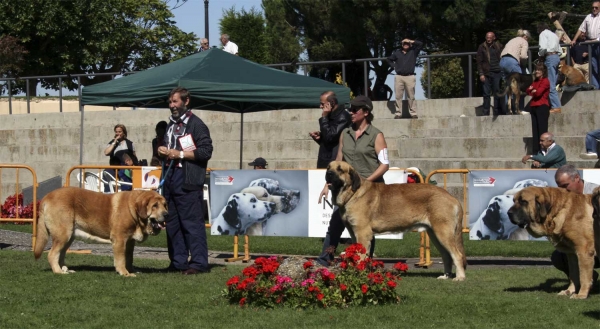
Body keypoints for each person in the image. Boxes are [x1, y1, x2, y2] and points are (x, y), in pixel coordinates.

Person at [316, 95, 389, 266]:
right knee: (335, 226)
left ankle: (364, 263)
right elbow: (338, 161)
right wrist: (327, 184)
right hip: (345, 190)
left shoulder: (376, 135)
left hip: (369, 189)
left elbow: (384, 164)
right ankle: (324, 261)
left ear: (366, 112)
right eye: (351, 109)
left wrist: (366, 182)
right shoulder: (345, 133)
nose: (351, 112)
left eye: (355, 109)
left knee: (364, 228)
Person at [157, 87, 213, 275]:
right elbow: (170, 147)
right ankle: (178, 261)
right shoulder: (171, 125)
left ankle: (198, 263)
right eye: (170, 102)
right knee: (172, 222)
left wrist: (179, 154)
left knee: (191, 223)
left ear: (186, 101)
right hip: (170, 178)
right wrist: (162, 150)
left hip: (187, 179)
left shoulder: (196, 124)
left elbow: (205, 152)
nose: (172, 106)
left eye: (175, 102)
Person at [552, 164, 600, 282]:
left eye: (565, 186)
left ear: (577, 178)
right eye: (559, 187)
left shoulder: (595, 194)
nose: (563, 190)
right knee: (558, 257)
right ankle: (583, 279)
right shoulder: (563, 199)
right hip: (579, 245)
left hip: (597, 245)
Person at [309, 91, 351, 169]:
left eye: (322, 104)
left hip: (334, 161)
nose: (320, 106)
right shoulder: (330, 115)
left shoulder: (343, 117)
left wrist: (324, 118)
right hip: (326, 159)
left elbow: (330, 137)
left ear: (332, 103)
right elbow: (329, 137)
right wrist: (320, 137)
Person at [387, 38, 423, 119]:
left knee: (411, 96)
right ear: (402, 44)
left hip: (410, 76)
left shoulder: (413, 52)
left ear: (410, 44)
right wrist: (394, 66)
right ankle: (398, 113)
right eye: (404, 43)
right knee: (398, 96)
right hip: (399, 77)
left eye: (407, 43)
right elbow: (389, 59)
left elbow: (420, 44)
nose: (405, 44)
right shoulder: (397, 53)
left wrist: (410, 41)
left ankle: (413, 113)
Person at [500, 29, 530, 112]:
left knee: (508, 85)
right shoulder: (524, 41)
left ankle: (507, 110)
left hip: (502, 61)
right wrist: (523, 65)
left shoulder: (511, 40)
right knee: (518, 85)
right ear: (526, 37)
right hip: (512, 61)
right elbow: (523, 56)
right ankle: (519, 108)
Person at [571, 1, 600, 89]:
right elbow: (581, 28)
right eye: (593, 7)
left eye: (596, 7)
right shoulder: (588, 17)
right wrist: (574, 39)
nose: (594, 9)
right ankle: (596, 87)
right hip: (591, 44)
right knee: (592, 66)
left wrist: (597, 40)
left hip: (598, 42)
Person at [476, 32, 504, 116]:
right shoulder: (482, 47)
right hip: (486, 73)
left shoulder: (499, 46)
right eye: (487, 37)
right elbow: (479, 61)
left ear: (494, 38)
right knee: (486, 93)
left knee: (497, 92)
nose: (489, 39)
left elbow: (503, 56)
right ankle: (486, 111)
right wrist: (481, 74)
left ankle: (496, 111)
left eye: (490, 37)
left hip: (497, 72)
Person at [537, 23, 562, 114]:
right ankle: (555, 105)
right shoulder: (554, 35)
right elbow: (560, 50)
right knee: (553, 82)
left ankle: (556, 107)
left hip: (550, 57)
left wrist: (540, 56)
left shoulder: (543, 34)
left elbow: (542, 47)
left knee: (550, 83)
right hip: (556, 57)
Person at [526, 63, 550, 155]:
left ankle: (543, 151)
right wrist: (532, 90)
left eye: (539, 70)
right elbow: (528, 90)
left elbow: (538, 93)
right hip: (534, 107)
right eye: (536, 70)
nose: (536, 71)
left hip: (542, 107)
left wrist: (533, 90)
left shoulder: (545, 81)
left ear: (543, 71)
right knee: (535, 131)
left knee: (542, 131)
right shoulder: (535, 81)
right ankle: (535, 151)